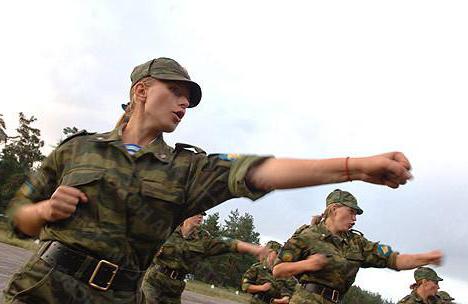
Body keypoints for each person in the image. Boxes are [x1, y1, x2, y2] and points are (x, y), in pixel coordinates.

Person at [3, 56, 413, 303]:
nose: (184, 103)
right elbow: (18, 216)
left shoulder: (188, 168)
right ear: (142, 90)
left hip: (121, 295)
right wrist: (42, 210)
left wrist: (353, 167)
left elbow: (261, 170)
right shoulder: (78, 148)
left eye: (190, 99)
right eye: (176, 91)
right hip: (43, 286)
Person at [273, 189, 443, 304]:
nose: (354, 219)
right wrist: (307, 264)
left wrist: (427, 258)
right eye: (351, 212)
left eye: (356, 214)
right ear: (334, 209)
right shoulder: (307, 236)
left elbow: (394, 260)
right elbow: (278, 270)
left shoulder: (357, 243)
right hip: (306, 300)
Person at [141, 212, 266, 304]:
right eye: (198, 213)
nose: (201, 216)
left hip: (175, 287)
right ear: (187, 213)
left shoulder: (203, 239)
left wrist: (254, 249)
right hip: (154, 282)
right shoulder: (168, 228)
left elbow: (227, 243)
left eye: (203, 215)